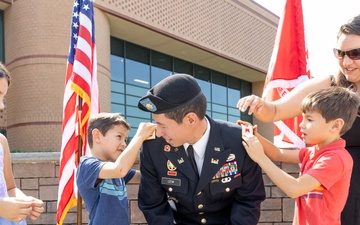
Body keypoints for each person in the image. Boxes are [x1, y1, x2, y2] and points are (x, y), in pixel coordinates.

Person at [237, 14, 360, 225]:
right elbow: (274, 111)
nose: (346, 61)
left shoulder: (332, 157)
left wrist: (261, 157)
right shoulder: (328, 88)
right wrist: (260, 106)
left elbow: (293, 187)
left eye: (355, 54)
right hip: (337, 194)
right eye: (340, 53)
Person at [137, 73, 265, 225]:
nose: (158, 132)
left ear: (191, 119)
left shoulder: (238, 141)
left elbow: (249, 200)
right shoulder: (153, 147)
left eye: (163, 125)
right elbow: (153, 206)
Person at [241, 86, 360, 225]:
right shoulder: (313, 152)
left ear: (335, 126)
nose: (301, 125)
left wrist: (260, 158)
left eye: (309, 120)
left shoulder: (335, 159)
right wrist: (256, 136)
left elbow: (294, 189)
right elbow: (277, 153)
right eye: (302, 119)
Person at [76, 112, 156, 225]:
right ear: (97, 136)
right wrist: (139, 137)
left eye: (125, 140)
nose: (124, 144)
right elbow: (119, 169)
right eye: (119, 137)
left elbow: (143, 176)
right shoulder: (88, 165)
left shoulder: (114, 171)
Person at [0, 62, 44, 224]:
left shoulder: (1, 141)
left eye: (3, 97)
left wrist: (24, 201)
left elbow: (10, 188)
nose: (2, 105)